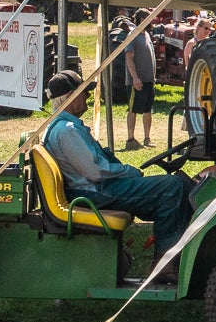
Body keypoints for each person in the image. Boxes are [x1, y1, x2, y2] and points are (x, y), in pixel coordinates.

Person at [41, 70, 193, 253]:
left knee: (177, 187)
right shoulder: (67, 130)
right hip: (94, 193)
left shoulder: (63, 127)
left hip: (94, 189)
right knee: (174, 186)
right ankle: (166, 262)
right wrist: (129, 171)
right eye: (84, 92)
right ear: (71, 97)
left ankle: (172, 252)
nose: (88, 96)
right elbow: (95, 172)